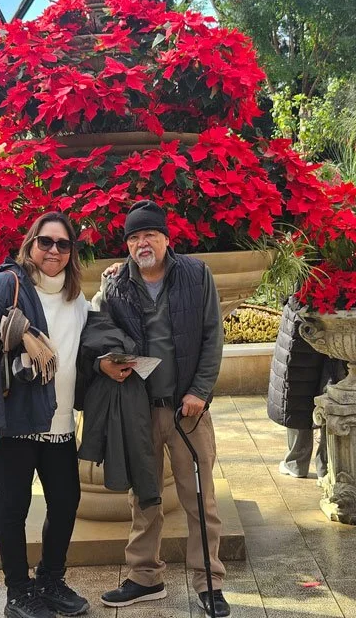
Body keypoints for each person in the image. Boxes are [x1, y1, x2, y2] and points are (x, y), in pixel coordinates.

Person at [92, 200, 230, 618]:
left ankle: (209, 582)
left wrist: (200, 392)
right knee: (144, 498)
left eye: (149, 234)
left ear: (166, 238)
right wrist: (105, 359)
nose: (141, 243)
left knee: (199, 499)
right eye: (133, 237)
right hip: (140, 410)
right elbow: (97, 329)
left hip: (189, 410)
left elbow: (213, 336)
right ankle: (143, 578)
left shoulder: (196, 274)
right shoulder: (115, 283)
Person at [0, 212, 90, 618]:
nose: (54, 251)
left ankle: (50, 580)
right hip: (12, 425)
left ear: (72, 252)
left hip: (59, 424)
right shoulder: (3, 286)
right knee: (13, 508)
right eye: (46, 242)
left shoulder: (76, 297)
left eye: (64, 245)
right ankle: (18, 592)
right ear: (30, 244)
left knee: (66, 503)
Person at [268, 296, 346, 481]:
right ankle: (326, 467)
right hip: (334, 312)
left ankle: (297, 462)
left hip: (301, 318)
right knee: (328, 391)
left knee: (297, 392)